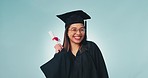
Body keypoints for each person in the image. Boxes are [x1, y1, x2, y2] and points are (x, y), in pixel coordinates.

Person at [40, 10, 109, 78]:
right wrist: (58, 55)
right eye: (74, 29)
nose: (78, 33)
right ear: (67, 32)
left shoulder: (91, 47)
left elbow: (102, 73)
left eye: (82, 29)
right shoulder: (63, 54)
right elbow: (55, 74)